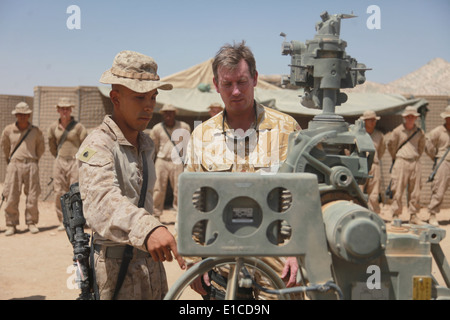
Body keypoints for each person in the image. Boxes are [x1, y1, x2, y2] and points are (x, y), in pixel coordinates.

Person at [184, 41, 301, 299]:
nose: (235, 91)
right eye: (227, 84)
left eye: (242, 81)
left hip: (278, 268)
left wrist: (297, 250)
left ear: (255, 79)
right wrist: (194, 259)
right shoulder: (202, 136)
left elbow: (303, 197)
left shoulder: (286, 129)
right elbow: (194, 202)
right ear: (216, 85)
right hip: (222, 266)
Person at [76, 50, 185, 300]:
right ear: (115, 98)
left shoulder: (146, 143)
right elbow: (101, 201)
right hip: (116, 274)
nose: (149, 105)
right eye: (139, 97)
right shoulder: (98, 144)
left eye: (153, 97)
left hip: (151, 267)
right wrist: (148, 228)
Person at [1, 102, 45, 236]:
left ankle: (31, 222)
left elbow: (41, 148)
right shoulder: (8, 130)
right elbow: (5, 147)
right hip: (14, 164)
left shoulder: (36, 131)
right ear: (16, 115)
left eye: (25, 114)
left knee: (32, 195)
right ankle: (11, 224)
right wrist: (11, 161)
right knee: (12, 195)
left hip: (31, 164)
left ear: (29, 115)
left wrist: (33, 160)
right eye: (19, 114)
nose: (22, 117)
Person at [47, 97, 87, 231]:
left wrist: (81, 160)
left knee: (75, 191)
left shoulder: (78, 127)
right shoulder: (53, 127)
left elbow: (86, 145)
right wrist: (58, 157)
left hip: (75, 161)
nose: (65, 111)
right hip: (60, 161)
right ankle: (62, 220)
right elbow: (51, 144)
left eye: (67, 108)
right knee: (59, 191)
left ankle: (76, 219)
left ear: (71, 110)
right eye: (62, 108)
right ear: (58, 110)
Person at [386, 106, 425, 224]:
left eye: (412, 117)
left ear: (416, 118)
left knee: (415, 190)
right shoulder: (398, 131)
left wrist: (415, 156)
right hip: (401, 161)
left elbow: (421, 147)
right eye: (408, 116)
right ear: (404, 118)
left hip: (414, 161)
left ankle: (413, 215)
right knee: (397, 188)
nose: (410, 119)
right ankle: (396, 214)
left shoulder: (419, 132)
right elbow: (390, 145)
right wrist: (397, 157)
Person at [424, 105, 450, 227]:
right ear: (445, 118)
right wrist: (435, 157)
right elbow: (428, 145)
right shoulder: (438, 131)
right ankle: (432, 214)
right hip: (443, 162)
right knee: (439, 190)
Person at [360, 110, 385, 214]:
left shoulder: (379, 135)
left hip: (374, 165)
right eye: (370, 120)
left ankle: (373, 215)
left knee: (374, 194)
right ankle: (359, 213)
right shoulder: (359, 134)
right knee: (359, 191)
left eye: (374, 120)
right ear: (364, 121)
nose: (372, 123)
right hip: (360, 165)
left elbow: (382, 150)